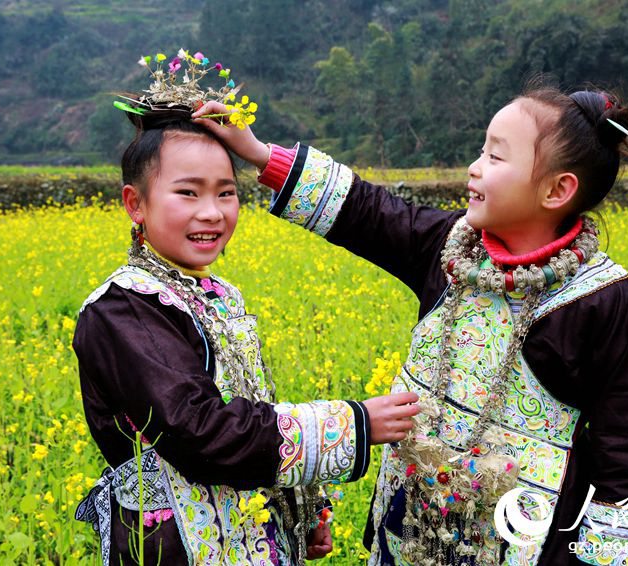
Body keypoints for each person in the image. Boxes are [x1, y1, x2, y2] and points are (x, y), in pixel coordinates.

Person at [193, 84, 628, 565]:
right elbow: (365, 210)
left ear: (557, 189)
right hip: (410, 519)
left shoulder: (609, 303)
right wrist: (257, 153)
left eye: (496, 158)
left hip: (521, 539)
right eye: (482, 150)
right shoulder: (450, 246)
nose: (475, 167)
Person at [73, 60, 421, 565]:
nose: (212, 212)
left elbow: (252, 402)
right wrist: (354, 423)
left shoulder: (219, 294)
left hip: (251, 532)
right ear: (135, 204)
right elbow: (203, 433)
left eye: (226, 193)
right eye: (187, 193)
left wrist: (301, 510)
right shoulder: (122, 310)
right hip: (175, 548)